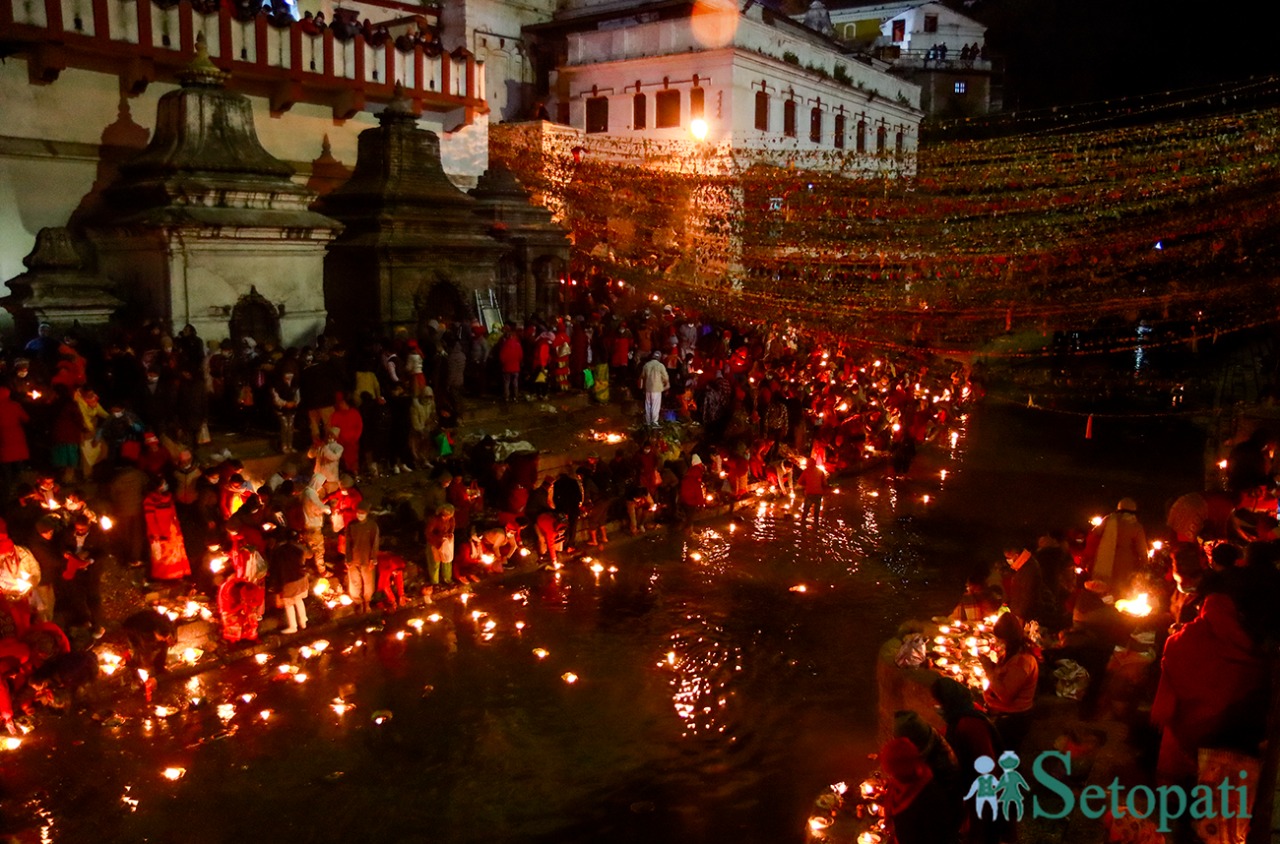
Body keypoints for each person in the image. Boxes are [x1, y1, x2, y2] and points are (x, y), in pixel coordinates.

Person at [1152, 591, 1266, 785]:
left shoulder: (1185, 639)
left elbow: (1169, 685)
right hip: (1226, 729)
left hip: (1188, 727)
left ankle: (1171, 794)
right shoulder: (1247, 647)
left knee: (1174, 739)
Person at [979, 612, 1038, 752]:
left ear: (1007, 638)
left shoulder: (1022, 662)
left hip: (1012, 720)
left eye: (1000, 639)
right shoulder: (1012, 653)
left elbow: (1005, 696)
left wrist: (989, 670)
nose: (998, 642)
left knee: (1005, 754)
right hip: (1002, 715)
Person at [1082, 497, 1147, 592]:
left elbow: (1094, 534)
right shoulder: (1136, 526)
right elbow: (1141, 548)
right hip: (1125, 563)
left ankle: (1104, 603)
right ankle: (1114, 604)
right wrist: (1144, 562)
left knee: (1102, 587)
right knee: (1119, 589)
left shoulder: (1108, 520)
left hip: (1104, 558)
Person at [143, 480, 190, 582]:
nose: (165, 486)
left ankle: (176, 575)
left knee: (175, 554)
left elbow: (173, 513)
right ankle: (164, 576)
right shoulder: (150, 500)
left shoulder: (168, 498)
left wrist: (177, 526)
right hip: (160, 533)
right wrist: (156, 534)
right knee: (163, 555)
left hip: (172, 530)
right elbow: (150, 519)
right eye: (163, 484)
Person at [345, 501, 379, 614]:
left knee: (368, 583)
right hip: (354, 559)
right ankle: (358, 603)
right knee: (355, 583)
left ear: (367, 513)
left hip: (367, 559)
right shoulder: (351, 525)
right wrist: (348, 558)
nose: (360, 515)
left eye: (362, 513)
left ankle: (367, 603)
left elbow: (375, 543)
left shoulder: (372, 526)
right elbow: (348, 543)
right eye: (358, 512)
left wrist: (373, 559)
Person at [424, 504, 456, 590]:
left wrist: (449, 534)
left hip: (445, 543)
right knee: (435, 562)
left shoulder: (451, 519)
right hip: (434, 543)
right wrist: (438, 538)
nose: (449, 517)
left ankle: (447, 579)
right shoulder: (434, 520)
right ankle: (435, 582)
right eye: (447, 515)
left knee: (447, 560)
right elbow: (428, 533)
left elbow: (451, 528)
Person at [639, 351, 669, 427]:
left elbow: (642, 377)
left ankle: (648, 422)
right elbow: (666, 378)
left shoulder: (646, 365)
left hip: (648, 388)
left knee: (648, 405)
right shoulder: (660, 366)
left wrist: (642, 387)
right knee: (655, 406)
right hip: (657, 389)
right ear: (659, 358)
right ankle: (654, 422)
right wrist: (665, 385)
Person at [797, 458, 829, 527]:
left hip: (809, 493)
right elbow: (825, 483)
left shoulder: (806, 471)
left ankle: (802, 525)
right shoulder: (820, 471)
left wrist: (806, 485)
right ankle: (816, 525)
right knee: (816, 513)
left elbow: (799, 482)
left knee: (805, 511)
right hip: (818, 493)